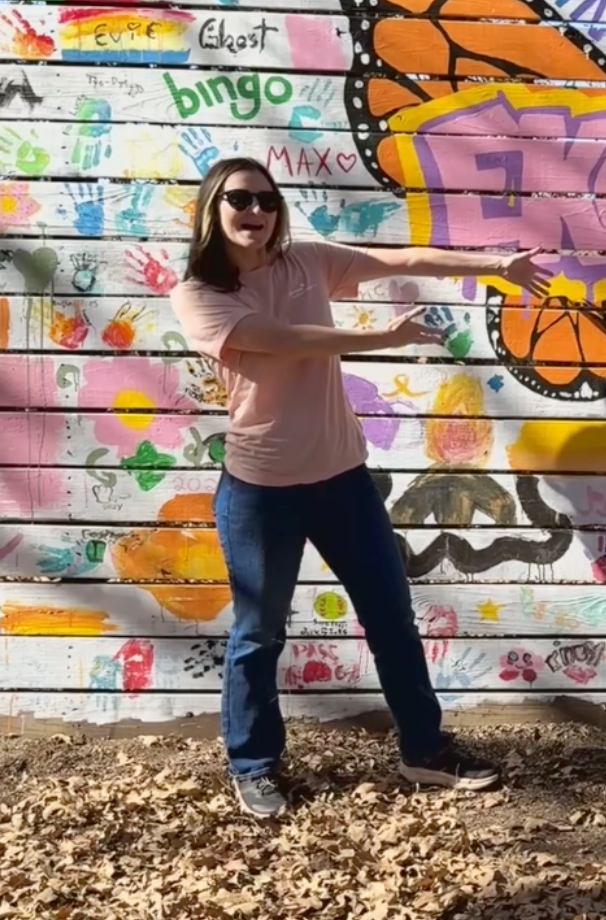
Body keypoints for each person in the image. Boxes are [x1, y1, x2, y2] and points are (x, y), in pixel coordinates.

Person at [169, 157, 551, 818]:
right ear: (213, 209)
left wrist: (494, 268)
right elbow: (285, 342)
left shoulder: (308, 261)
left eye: (265, 198)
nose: (254, 210)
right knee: (259, 635)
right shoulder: (199, 295)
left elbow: (407, 259)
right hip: (261, 490)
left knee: (392, 621)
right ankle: (254, 765)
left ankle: (425, 751)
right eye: (238, 199)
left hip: (342, 479)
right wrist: (385, 337)